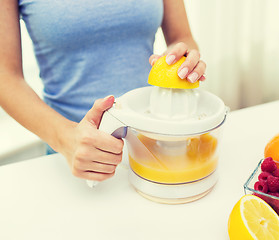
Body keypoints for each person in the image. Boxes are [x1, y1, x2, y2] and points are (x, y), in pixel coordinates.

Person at [0, 0, 206, 182]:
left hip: (153, 151)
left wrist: (185, 59)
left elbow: (182, 36)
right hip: (73, 160)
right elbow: (5, 76)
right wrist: (66, 138)